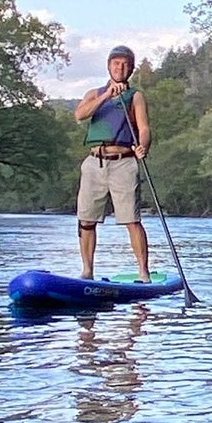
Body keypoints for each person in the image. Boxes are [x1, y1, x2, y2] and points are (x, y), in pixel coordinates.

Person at [73, 45, 152, 281]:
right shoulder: (94, 93)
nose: (120, 67)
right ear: (109, 66)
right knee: (86, 220)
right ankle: (87, 271)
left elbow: (144, 128)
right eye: (116, 63)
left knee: (131, 219)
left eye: (125, 64)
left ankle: (143, 272)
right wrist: (107, 95)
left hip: (123, 162)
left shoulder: (135, 96)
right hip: (94, 162)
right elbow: (80, 115)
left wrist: (143, 146)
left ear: (131, 69)